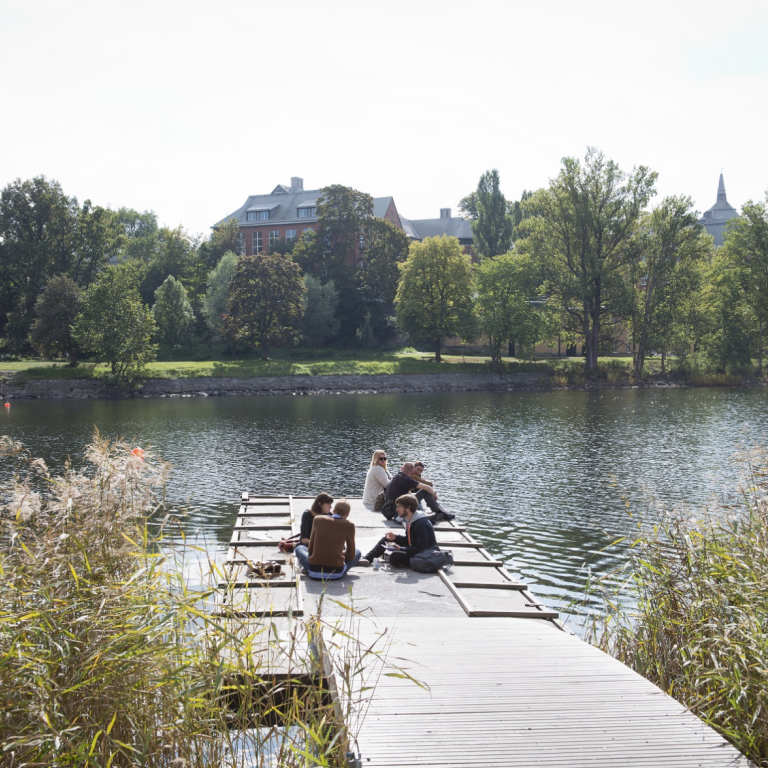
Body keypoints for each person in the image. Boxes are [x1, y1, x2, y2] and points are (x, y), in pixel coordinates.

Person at [360, 494, 436, 568]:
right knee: (386, 539)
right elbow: (409, 540)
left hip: (425, 554)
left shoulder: (421, 524)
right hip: (415, 549)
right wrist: (395, 537)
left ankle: (387, 556)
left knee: (395, 557)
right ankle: (367, 559)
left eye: (399, 507)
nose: (397, 509)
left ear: (408, 508)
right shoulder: (410, 519)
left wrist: (401, 548)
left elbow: (421, 548)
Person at [294, 499, 363, 580]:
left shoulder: (318, 519)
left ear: (333, 511)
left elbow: (311, 550)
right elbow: (351, 556)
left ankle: (308, 568)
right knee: (357, 552)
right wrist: (339, 553)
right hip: (336, 573)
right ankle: (338, 565)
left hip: (314, 571)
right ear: (347, 515)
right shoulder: (350, 525)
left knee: (299, 548)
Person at [385, 462, 455, 522]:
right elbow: (428, 487)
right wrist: (434, 494)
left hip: (392, 507)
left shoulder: (396, 476)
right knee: (425, 491)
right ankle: (439, 512)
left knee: (417, 494)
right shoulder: (406, 479)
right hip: (399, 507)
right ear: (412, 472)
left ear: (402, 469)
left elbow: (405, 493)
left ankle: (437, 512)